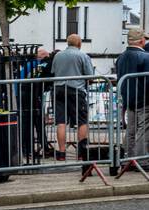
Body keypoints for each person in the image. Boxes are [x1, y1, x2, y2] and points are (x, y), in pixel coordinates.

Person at [50, 33, 96, 175]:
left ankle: (62, 153)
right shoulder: (83, 56)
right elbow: (90, 76)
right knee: (82, 121)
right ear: (79, 43)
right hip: (76, 90)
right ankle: (82, 153)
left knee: (61, 121)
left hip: (58, 89)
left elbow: (53, 72)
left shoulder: (58, 56)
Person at [115, 26, 149, 172]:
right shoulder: (145, 57)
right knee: (143, 129)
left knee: (131, 130)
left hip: (128, 99)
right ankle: (143, 160)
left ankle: (128, 159)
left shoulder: (121, 58)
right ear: (142, 40)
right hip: (144, 99)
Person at [19, 48, 51, 160]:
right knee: (34, 122)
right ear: (41, 56)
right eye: (46, 56)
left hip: (25, 94)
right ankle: (34, 149)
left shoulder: (28, 64)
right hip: (30, 95)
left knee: (29, 123)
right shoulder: (37, 65)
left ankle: (30, 149)